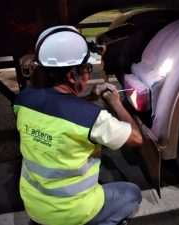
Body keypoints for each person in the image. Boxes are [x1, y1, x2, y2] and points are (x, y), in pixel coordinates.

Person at [13, 25, 143, 225]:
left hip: (35, 209)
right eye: (88, 69)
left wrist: (89, 98)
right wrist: (115, 103)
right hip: (73, 211)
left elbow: (57, 111)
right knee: (132, 194)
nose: (89, 75)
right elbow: (136, 138)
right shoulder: (92, 118)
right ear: (72, 76)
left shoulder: (22, 101)